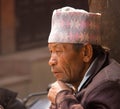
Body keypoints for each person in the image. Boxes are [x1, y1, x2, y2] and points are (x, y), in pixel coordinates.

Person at [47, 6, 120, 109]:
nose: (51, 61)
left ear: (86, 52)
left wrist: (63, 98)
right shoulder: (82, 81)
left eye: (58, 51)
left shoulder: (108, 86)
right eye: (51, 51)